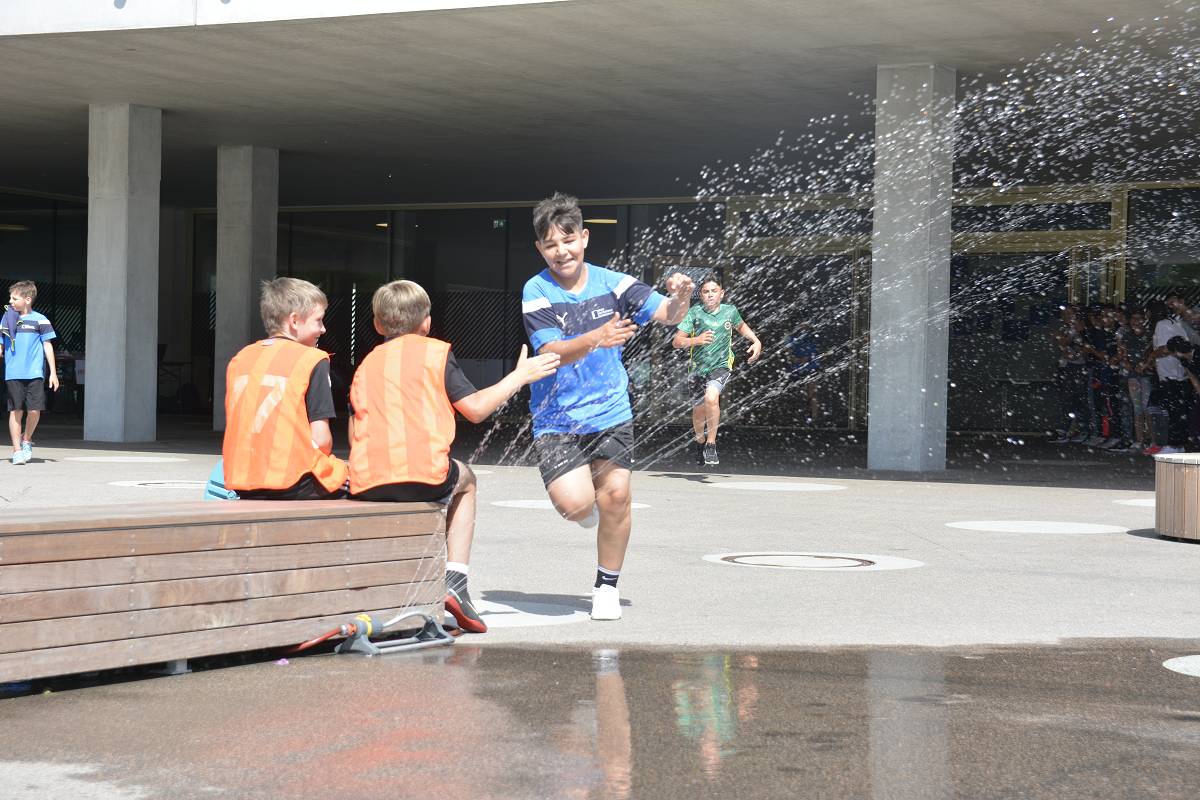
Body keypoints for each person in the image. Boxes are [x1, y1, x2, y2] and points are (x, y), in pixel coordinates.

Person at [348, 280, 559, 634]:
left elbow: (356, 423)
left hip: (367, 480)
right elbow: (475, 410)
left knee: (418, 484)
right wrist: (519, 377)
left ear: (378, 324)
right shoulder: (435, 354)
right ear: (426, 323)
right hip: (423, 476)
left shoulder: (366, 364)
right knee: (467, 480)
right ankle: (456, 582)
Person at [522, 192, 693, 621]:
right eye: (550, 244)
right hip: (557, 419)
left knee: (616, 496)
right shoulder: (536, 290)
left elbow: (669, 314)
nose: (561, 251)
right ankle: (586, 508)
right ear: (540, 248)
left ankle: (606, 587)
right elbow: (551, 351)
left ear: (584, 238)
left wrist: (682, 296)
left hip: (611, 411)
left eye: (568, 240)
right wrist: (597, 337)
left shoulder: (614, 283)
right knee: (576, 506)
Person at [222, 277, 349, 499]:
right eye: (318, 320)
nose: (323, 329)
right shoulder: (312, 359)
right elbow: (322, 441)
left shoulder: (240, 359)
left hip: (242, 480)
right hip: (294, 481)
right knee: (360, 482)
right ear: (294, 321)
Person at [672, 275, 762, 466]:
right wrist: (696, 340)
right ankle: (699, 442)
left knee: (711, 398)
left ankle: (711, 444)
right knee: (698, 410)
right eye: (706, 292)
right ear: (701, 295)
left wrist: (755, 341)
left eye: (714, 291)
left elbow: (741, 327)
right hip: (697, 368)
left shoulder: (730, 311)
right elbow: (677, 342)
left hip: (721, 365)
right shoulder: (695, 313)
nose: (710, 295)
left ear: (722, 294)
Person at [2, 281, 58, 465]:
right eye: (10, 298)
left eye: (14, 298)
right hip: (13, 373)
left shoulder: (41, 320)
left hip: (34, 373)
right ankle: (17, 450)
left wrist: (53, 373)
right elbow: (1, 342)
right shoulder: (7, 318)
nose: (10, 301)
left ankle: (26, 439)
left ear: (27, 299)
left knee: (34, 410)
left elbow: (47, 346)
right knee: (16, 410)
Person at [1146, 300, 1190, 455]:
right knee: (1177, 412)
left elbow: (1166, 349)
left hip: (1173, 376)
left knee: (1174, 413)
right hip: (1178, 375)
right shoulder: (1172, 323)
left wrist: (1151, 357)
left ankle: (1174, 444)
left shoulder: (1162, 324)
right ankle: (1178, 445)